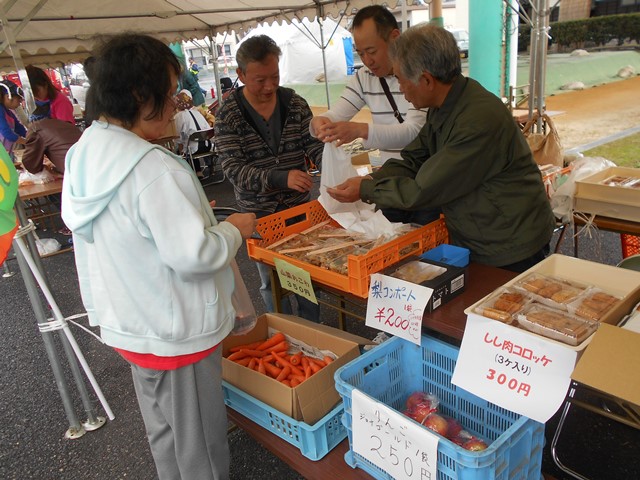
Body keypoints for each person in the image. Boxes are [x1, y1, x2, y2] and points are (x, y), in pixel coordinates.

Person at [61, 33, 256, 480]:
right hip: (178, 333)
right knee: (202, 448)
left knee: (165, 434)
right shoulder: (152, 169)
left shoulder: (84, 152)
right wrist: (235, 228)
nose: (175, 104)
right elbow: (195, 254)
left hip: (133, 325)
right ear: (136, 95)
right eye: (167, 95)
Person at [327, 24, 555, 273]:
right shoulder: (445, 105)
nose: (401, 90)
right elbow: (414, 159)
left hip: (510, 240)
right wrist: (373, 178)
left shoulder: (477, 119)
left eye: (401, 80)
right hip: (480, 231)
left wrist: (367, 188)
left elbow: (423, 189)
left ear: (426, 80)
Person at [215, 34, 323, 321]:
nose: (269, 86)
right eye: (259, 79)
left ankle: (314, 330)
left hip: (299, 209)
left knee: (307, 273)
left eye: (274, 76)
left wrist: (331, 163)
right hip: (259, 214)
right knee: (271, 280)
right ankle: (285, 332)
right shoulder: (228, 114)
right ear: (240, 74)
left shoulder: (295, 104)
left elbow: (312, 144)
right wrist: (280, 178)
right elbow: (233, 169)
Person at [310, 5, 427, 166]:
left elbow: (414, 131)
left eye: (372, 51)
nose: (367, 61)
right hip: (392, 173)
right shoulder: (364, 76)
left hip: (425, 175)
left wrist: (360, 130)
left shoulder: (419, 72)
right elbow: (336, 114)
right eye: (360, 53)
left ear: (395, 37)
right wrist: (321, 123)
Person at [22, 104, 82, 174]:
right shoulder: (64, 123)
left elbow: (30, 163)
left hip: (75, 171)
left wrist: (44, 168)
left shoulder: (36, 128)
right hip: (90, 165)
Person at [173, 89, 211, 177]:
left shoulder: (178, 116)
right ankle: (205, 168)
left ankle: (191, 173)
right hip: (207, 146)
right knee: (189, 143)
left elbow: (177, 136)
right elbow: (209, 129)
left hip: (193, 150)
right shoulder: (197, 113)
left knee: (183, 147)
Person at [0, 80, 27, 157]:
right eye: (18, 100)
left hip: (6, 154)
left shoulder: (9, 113)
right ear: (8, 97)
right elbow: (7, 133)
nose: (19, 104)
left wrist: (33, 137)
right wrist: (27, 142)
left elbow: (21, 130)